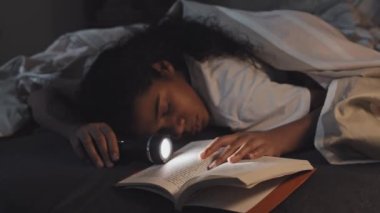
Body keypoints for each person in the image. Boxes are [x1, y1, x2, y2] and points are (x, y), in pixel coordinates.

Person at [28, 17, 326, 169]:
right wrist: (74, 129)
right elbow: (41, 93)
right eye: (164, 129)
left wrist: (278, 139)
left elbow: (333, 99)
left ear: (163, 67)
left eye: (166, 109)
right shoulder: (151, 55)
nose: (179, 127)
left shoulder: (238, 99)